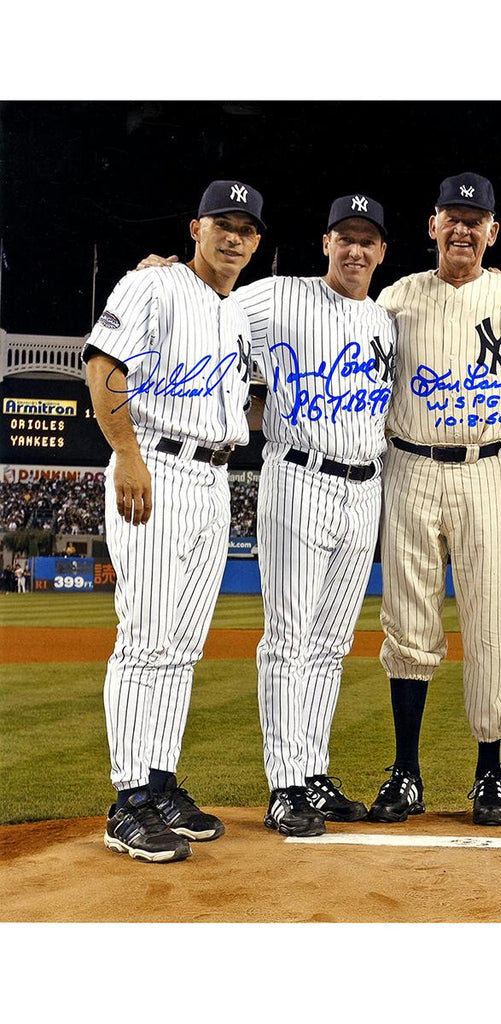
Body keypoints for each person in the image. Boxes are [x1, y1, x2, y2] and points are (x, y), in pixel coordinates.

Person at [137, 195, 396, 837]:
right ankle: (284, 786)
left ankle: (312, 772)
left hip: (367, 487)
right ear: (326, 243)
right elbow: (208, 299)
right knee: (289, 639)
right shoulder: (278, 296)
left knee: (332, 645)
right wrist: (163, 275)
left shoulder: (386, 322)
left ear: (383, 251)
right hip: (299, 476)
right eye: (345, 237)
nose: (356, 250)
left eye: (368, 240)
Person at [85, 179, 264, 863]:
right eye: (223, 223)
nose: (234, 237)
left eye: (246, 229)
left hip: (215, 478)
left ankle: (159, 783)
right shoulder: (151, 288)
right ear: (196, 228)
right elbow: (104, 364)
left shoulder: (238, 313)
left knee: (182, 645)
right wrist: (126, 453)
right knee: (145, 637)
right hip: (154, 465)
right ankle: (127, 800)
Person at [369, 173, 501, 826]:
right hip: (410, 466)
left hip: (490, 469)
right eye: (453, 216)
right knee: (407, 624)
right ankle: (405, 773)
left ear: (493, 231)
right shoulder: (397, 297)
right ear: (432, 224)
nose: (464, 228)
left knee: (490, 623)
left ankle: (489, 774)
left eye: (477, 219)